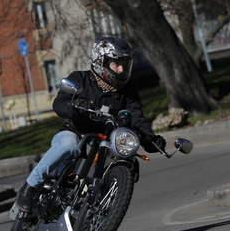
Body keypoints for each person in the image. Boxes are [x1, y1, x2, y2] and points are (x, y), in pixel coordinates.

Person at [16, 36, 165, 212]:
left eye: (125, 64)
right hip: (75, 133)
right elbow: (60, 103)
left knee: (126, 156)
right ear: (100, 61)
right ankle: (30, 187)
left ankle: (102, 209)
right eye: (116, 64)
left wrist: (151, 139)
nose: (121, 69)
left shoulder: (128, 92)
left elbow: (137, 119)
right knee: (68, 144)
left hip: (106, 141)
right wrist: (75, 107)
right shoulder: (80, 79)